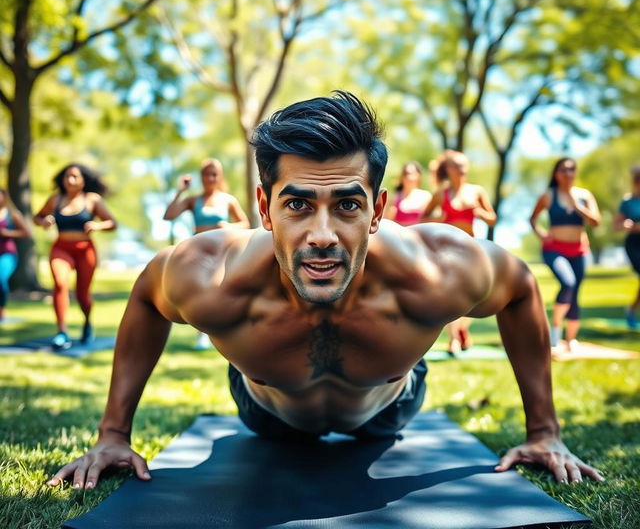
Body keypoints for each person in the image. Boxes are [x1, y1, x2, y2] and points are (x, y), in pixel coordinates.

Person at [46, 92, 603, 490]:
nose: (321, 236)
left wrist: (544, 432)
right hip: (266, 413)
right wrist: (113, 434)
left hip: (390, 407)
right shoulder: (210, 275)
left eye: (347, 205)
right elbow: (145, 297)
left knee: (395, 393)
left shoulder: (439, 270)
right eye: (297, 205)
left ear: (378, 211)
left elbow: (523, 290)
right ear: (263, 209)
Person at [163, 158, 250, 349]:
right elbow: (168, 215)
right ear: (201, 177)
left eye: (214, 174)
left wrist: (228, 225)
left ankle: (222, 330)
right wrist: (180, 191)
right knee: (199, 289)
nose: (210, 178)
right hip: (198, 251)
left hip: (222, 250)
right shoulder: (193, 200)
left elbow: (245, 223)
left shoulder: (227, 199)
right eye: (206, 174)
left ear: (219, 176)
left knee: (219, 288)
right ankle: (202, 333)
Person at [33, 164, 117, 349]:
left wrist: (98, 226)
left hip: (85, 250)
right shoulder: (56, 199)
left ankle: (87, 322)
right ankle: (62, 332)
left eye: (75, 177)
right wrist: (44, 221)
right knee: (60, 284)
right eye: (67, 177)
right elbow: (36, 217)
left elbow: (112, 223)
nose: (70, 180)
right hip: (61, 248)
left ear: (83, 180)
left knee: (82, 295)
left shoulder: (92, 200)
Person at [421, 150, 497, 355]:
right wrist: (439, 218)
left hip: (471, 248)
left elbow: (492, 219)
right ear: (449, 169)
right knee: (451, 294)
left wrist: (479, 213)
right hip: (447, 249)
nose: (463, 169)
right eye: (458, 166)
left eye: (465, 165)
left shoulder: (477, 191)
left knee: (477, 295)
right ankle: (454, 339)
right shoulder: (441, 194)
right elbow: (423, 218)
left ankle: (461, 328)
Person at [529, 157, 601, 352]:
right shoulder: (548, 196)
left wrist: (578, 207)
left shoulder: (584, 195)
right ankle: (555, 330)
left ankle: (570, 340)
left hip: (579, 251)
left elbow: (596, 222)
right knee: (567, 283)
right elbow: (533, 218)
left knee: (575, 292)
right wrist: (542, 235)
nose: (568, 173)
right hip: (554, 249)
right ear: (556, 174)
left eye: (571, 170)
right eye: (563, 170)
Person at [614, 164, 640, 329]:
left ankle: (631, 309)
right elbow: (616, 225)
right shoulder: (627, 202)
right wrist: (628, 225)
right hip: (634, 243)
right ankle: (631, 310)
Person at [0, 188, 31, 322]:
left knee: (1, 280)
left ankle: (1, 310)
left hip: (7, 253)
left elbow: (26, 233)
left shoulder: (12, 214)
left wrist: (7, 233)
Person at [383, 161, 432, 226]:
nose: (409, 177)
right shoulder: (393, 198)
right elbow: (386, 223)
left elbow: (430, 221)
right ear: (401, 177)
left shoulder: (426, 196)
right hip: (399, 235)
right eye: (406, 174)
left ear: (419, 176)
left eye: (412, 173)